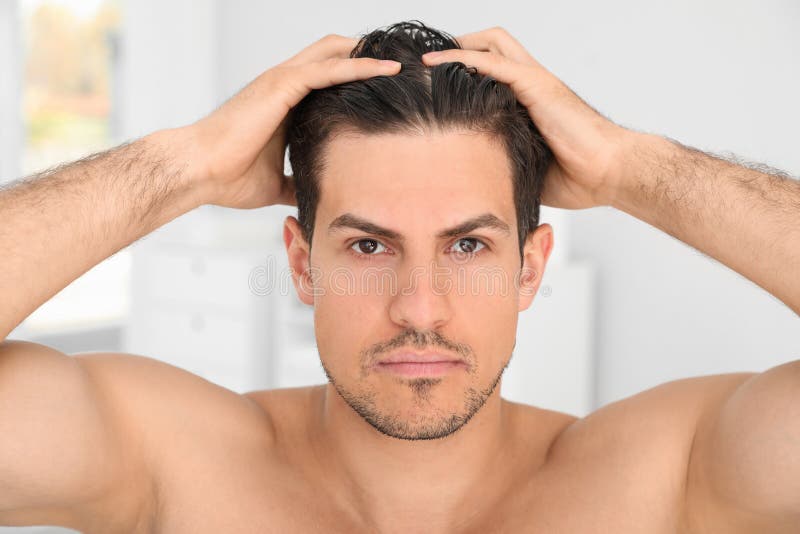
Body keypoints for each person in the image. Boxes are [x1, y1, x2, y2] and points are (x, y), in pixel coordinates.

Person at [0, 19, 798, 534]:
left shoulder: (664, 478)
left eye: (468, 247)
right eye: (370, 248)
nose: (421, 308)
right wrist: (184, 165)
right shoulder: (169, 458)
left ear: (530, 268)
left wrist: (635, 166)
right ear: (303, 264)